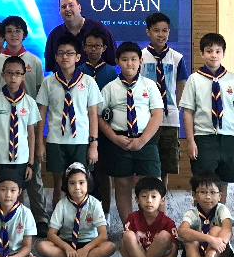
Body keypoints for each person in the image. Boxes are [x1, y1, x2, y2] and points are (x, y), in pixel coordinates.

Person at [0, 17, 48, 236]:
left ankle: (40, 218)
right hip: (3, 130)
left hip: (27, 126)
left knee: (34, 179)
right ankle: (3, 219)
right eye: (9, 31)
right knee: (4, 185)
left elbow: (40, 98)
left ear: (24, 34)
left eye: (18, 31)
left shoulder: (34, 61)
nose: (14, 35)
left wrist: (38, 140)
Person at [97, 41, 163, 223]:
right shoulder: (110, 88)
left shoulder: (149, 85)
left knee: (152, 185)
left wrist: (142, 140)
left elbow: (157, 114)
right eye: (124, 59)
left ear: (140, 61)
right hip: (119, 142)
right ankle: (130, 228)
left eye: (133, 59)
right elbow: (99, 117)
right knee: (122, 185)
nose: (129, 63)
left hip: (145, 141)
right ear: (118, 61)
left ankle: (153, 227)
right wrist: (114, 138)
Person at [181, 33, 234, 204]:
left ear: (223, 53)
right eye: (209, 51)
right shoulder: (194, 79)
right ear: (202, 53)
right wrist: (191, 141)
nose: (214, 55)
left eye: (218, 51)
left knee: (223, 181)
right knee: (202, 182)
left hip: (228, 137)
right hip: (204, 137)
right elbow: (188, 112)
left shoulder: (233, 79)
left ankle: (220, 213)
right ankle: (200, 215)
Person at [36, 35, 102, 207]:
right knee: (59, 184)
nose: (65, 57)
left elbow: (93, 114)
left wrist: (93, 144)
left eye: (69, 53)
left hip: (81, 141)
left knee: (81, 184)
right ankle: (58, 219)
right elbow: (41, 113)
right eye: (61, 53)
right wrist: (40, 143)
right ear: (56, 57)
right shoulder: (48, 82)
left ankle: (80, 218)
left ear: (78, 57)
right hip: (55, 140)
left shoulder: (88, 81)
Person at [140, 12, 188, 198]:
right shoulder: (141, 56)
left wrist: (176, 106)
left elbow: (181, 84)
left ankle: (161, 202)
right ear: (148, 32)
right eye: (156, 30)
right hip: (146, 119)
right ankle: (146, 201)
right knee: (147, 164)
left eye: (165, 30)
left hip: (170, 119)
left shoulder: (177, 58)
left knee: (165, 166)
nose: (161, 34)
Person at [37, 163, 115, 257]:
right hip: (67, 242)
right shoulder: (62, 204)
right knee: (42, 246)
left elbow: (103, 235)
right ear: (66, 185)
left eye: (81, 183)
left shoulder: (95, 204)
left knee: (110, 247)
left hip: (90, 243)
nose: (77, 187)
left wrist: (86, 249)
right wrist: (66, 248)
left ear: (88, 183)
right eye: (72, 183)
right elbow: (51, 234)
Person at [0, 57, 40, 194]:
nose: (13, 77)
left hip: (21, 159)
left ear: (24, 76)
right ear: (3, 75)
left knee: (18, 193)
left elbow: (31, 133)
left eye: (18, 74)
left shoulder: (29, 102)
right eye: (9, 73)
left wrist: (30, 163)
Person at [178, 172, 234, 257]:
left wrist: (211, 253)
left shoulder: (222, 209)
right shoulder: (192, 212)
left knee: (216, 230)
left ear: (220, 196)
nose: (208, 197)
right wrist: (209, 239)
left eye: (213, 192)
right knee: (191, 239)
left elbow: (227, 230)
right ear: (194, 195)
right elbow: (182, 231)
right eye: (203, 192)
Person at [78, 28, 118, 216]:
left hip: (105, 130)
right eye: (90, 46)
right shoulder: (78, 70)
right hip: (81, 128)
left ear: (104, 48)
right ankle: (83, 211)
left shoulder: (111, 72)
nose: (94, 49)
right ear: (84, 47)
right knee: (84, 171)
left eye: (98, 46)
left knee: (104, 172)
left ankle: (105, 213)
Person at [114, 177, 178, 257]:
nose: (149, 200)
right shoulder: (132, 218)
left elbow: (173, 256)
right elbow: (123, 247)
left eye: (154, 196)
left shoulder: (168, 223)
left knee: (164, 236)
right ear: (137, 199)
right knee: (127, 236)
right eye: (144, 196)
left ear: (162, 200)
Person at [45, 0, 116, 72]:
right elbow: (50, 66)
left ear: (79, 8)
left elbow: (112, 60)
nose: (67, 9)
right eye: (63, 7)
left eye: (71, 5)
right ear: (60, 11)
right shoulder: (54, 35)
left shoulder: (99, 29)